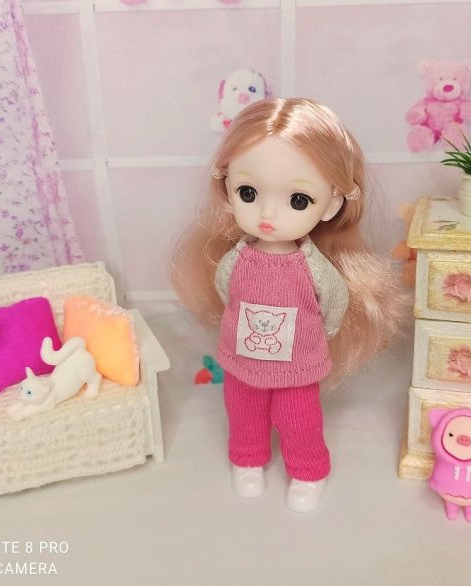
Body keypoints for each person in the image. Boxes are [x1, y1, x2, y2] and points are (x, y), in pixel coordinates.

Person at [170, 98, 405, 512]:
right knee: (243, 412)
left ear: (331, 204)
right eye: (248, 192)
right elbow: (227, 292)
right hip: (242, 360)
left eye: (298, 200)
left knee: (300, 420)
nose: (267, 213)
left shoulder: (312, 268)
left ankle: (308, 471)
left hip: (298, 366)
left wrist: (317, 337)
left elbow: (333, 304)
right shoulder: (235, 260)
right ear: (226, 188)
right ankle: (247, 460)